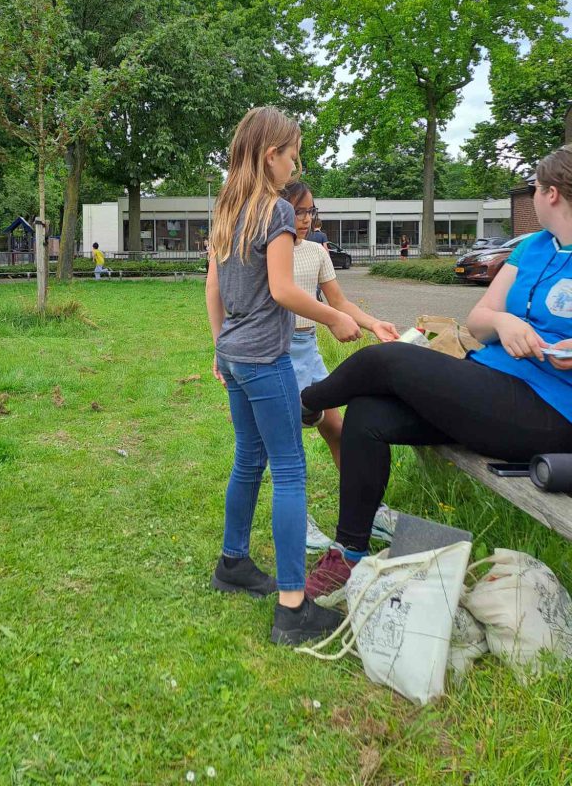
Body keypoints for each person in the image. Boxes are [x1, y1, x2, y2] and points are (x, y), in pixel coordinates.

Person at [301, 145, 572, 605]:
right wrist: (505, 322)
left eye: (534, 191)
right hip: (486, 386)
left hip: (548, 411)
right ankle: (349, 552)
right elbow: (479, 320)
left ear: (549, 194)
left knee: (388, 360)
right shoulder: (531, 248)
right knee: (367, 411)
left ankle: (304, 403)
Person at [206, 106, 364, 646]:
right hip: (263, 358)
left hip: (234, 355)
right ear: (271, 155)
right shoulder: (273, 209)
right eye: (292, 156)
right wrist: (335, 317)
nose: (295, 166)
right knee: (291, 470)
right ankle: (293, 608)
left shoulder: (227, 207)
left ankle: (233, 563)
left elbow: (213, 288)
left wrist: (219, 346)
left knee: (249, 459)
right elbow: (282, 289)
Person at [280, 182, 400, 550]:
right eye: (297, 211)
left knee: (336, 428)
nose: (305, 219)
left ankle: (369, 510)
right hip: (278, 352)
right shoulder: (270, 250)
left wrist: (373, 323)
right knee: (288, 444)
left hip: (308, 349)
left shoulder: (316, 252)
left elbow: (339, 302)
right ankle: (296, 520)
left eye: (310, 211)